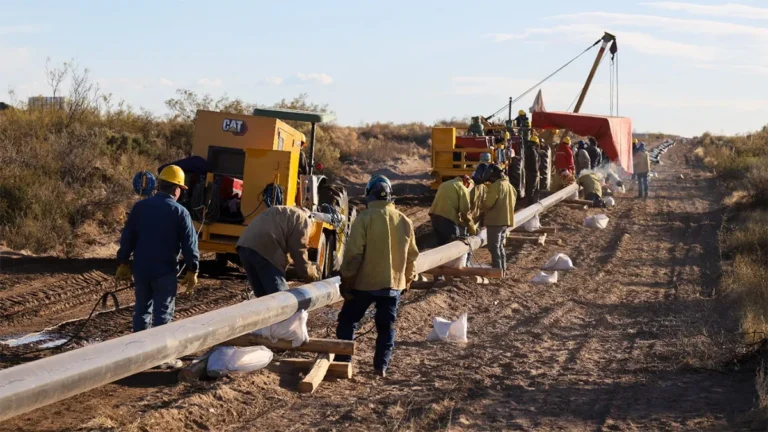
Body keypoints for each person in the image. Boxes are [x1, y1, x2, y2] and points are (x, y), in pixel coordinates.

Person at [116, 165, 199, 369]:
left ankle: (138, 357)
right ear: (176, 189)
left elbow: (128, 237)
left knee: (142, 310)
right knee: (163, 314)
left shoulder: (140, 207)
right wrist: (192, 270)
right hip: (164, 270)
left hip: (142, 269)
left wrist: (123, 262)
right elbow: (190, 245)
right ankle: (162, 358)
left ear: (159, 184)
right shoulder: (180, 212)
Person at [336, 175, 419, 377]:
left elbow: (354, 254)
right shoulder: (404, 220)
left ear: (369, 195)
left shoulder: (364, 219)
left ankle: (343, 362)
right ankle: (380, 367)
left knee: (347, 321)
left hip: (364, 284)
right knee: (386, 326)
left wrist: (347, 280)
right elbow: (412, 256)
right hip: (392, 285)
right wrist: (408, 279)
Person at [236, 206, 321, 297]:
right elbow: (298, 250)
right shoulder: (304, 219)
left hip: (244, 245)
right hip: (265, 248)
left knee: (262, 298)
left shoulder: (282, 211)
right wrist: (308, 273)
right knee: (281, 299)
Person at [482, 165, 516, 275]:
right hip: (505, 220)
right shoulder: (509, 186)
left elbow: (488, 204)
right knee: (500, 246)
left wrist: (480, 203)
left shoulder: (496, 186)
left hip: (495, 221)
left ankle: (497, 270)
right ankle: (503, 269)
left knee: (493, 246)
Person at [429, 175, 476, 246]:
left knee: (441, 245)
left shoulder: (445, 184)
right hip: (447, 219)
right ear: (466, 182)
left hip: (434, 216)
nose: (467, 188)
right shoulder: (462, 188)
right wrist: (471, 228)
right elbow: (465, 212)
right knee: (453, 244)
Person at [524, 135, 540, 202]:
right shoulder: (533, 152)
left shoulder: (527, 149)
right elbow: (534, 162)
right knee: (533, 186)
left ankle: (528, 198)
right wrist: (536, 171)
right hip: (533, 171)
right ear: (536, 143)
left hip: (527, 170)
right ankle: (530, 201)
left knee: (528, 185)